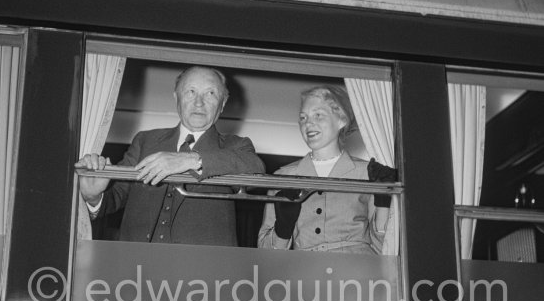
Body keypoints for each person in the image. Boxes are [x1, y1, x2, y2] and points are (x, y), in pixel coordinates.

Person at [76, 66, 265, 246]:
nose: (199, 102)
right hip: (137, 267)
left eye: (211, 93)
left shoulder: (236, 146)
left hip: (204, 273)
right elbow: (116, 197)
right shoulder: (145, 141)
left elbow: (256, 170)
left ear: (222, 104)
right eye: (190, 91)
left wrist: (190, 160)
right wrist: (93, 197)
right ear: (176, 98)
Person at [258, 85, 395, 254]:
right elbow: (265, 254)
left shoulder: (369, 172)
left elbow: (386, 246)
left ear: (341, 119)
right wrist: (283, 228)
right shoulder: (283, 177)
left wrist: (383, 202)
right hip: (306, 275)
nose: (308, 123)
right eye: (303, 117)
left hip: (359, 273)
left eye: (318, 115)